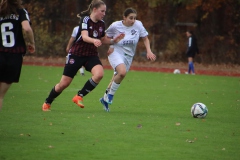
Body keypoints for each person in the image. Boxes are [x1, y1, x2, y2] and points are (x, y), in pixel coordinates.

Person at [42, 0, 124, 111]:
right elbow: (84, 37)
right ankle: (48, 102)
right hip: (76, 54)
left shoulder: (102, 24)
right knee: (64, 83)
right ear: (94, 10)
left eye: (105, 11)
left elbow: (103, 39)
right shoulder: (85, 20)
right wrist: (94, 40)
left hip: (91, 55)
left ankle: (79, 96)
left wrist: (114, 40)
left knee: (99, 74)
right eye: (102, 11)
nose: (104, 13)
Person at [99, 8, 156, 112]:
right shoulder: (115, 25)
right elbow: (104, 38)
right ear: (124, 17)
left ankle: (104, 99)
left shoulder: (138, 25)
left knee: (117, 77)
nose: (133, 20)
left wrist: (149, 51)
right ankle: (110, 96)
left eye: (134, 18)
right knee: (122, 72)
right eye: (130, 18)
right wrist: (111, 45)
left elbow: (145, 38)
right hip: (116, 52)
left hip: (129, 56)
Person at [0, 0, 35, 111]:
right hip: (14, 56)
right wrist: (31, 43)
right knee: (0, 96)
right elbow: (27, 28)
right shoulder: (20, 11)